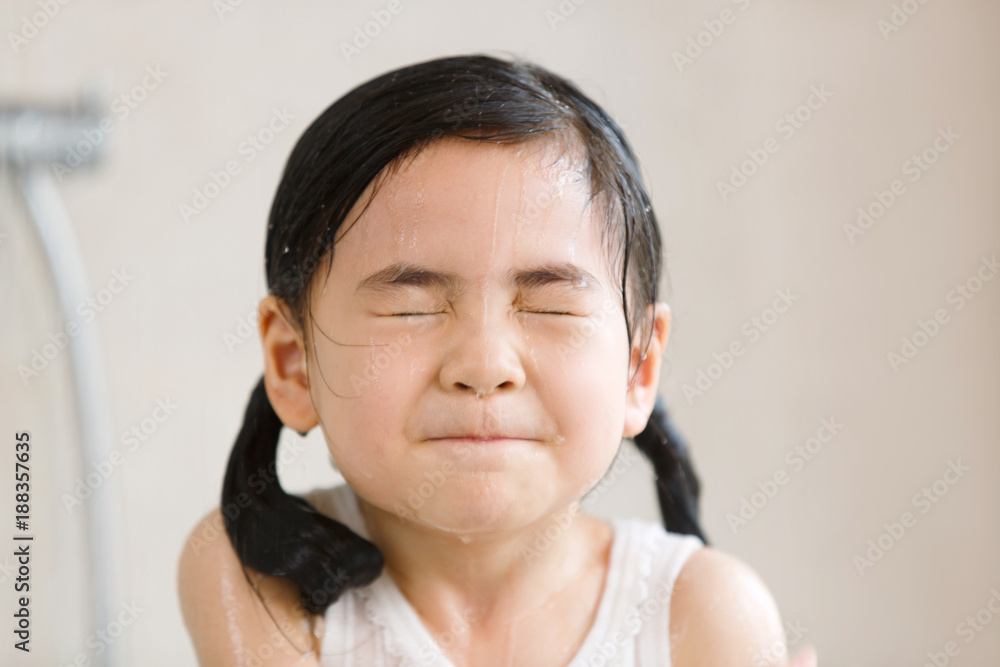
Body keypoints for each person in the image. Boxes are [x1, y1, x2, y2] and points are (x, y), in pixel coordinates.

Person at [178, 53, 819, 666]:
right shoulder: (261, 578)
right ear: (294, 364)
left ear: (638, 368)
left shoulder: (707, 612)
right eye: (411, 308)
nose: (484, 365)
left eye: (550, 308)